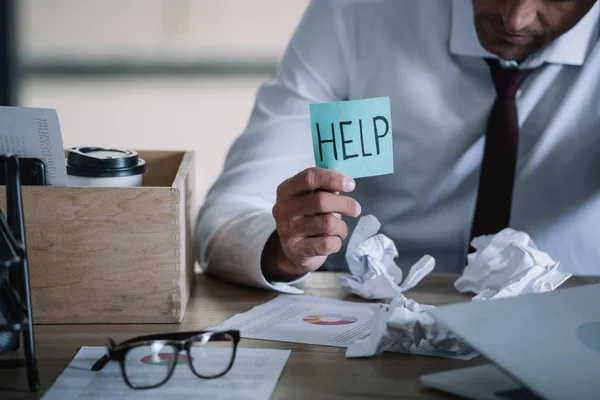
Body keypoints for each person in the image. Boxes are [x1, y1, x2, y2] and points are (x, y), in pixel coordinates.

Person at [195, 0, 600, 292]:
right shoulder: (355, 12)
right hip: (374, 311)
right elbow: (226, 219)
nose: (516, 17)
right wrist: (284, 250)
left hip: (576, 312)